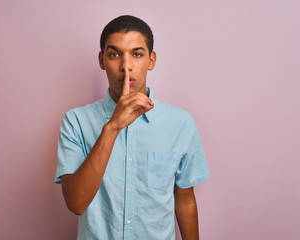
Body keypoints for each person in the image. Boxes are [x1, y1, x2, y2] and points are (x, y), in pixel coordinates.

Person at [55, 15, 210, 240]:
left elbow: (185, 201)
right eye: (114, 54)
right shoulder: (76, 121)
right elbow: (76, 203)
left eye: (137, 54)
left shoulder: (180, 123)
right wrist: (112, 127)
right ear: (101, 60)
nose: (125, 66)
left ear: (151, 60)